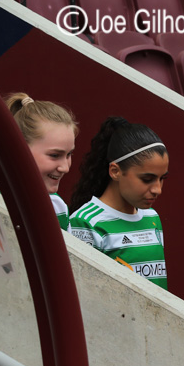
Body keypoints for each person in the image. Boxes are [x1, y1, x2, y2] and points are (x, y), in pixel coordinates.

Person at [69, 117, 168, 289]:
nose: (157, 189)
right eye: (147, 179)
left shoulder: (152, 218)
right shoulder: (86, 222)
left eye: (162, 179)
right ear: (115, 171)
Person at [0, 93, 78, 229]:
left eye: (69, 154)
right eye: (55, 155)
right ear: (16, 149)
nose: (65, 167)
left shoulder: (57, 207)